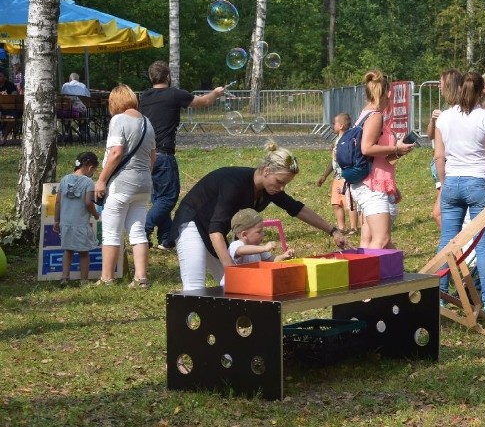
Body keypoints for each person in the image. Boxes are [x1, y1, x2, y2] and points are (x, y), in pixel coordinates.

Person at [172, 143, 348, 291]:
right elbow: (215, 229)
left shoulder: (269, 189)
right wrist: (231, 269)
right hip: (192, 222)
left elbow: (297, 208)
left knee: (234, 287)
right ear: (266, 170)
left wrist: (333, 231)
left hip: (212, 228)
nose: (281, 188)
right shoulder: (234, 184)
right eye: (280, 182)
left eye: (285, 184)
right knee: (195, 286)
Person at [434, 71, 485, 316]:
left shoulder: (444, 118)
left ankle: (439, 297)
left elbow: (439, 156)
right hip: (480, 183)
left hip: (452, 182)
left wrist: (445, 184)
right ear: (480, 92)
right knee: (484, 244)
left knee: (447, 242)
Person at [139, 61, 226, 251]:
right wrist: (216, 93)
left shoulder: (144, 96)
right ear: (168, 76)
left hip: (146, 155)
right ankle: (143, 229)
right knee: (168, 198)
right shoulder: (174, 94)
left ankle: (165, 239)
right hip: (163, 153)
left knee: (159, 198)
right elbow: (204, 102)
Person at [94, 84, 156, 288]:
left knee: (111, 232)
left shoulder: (118, 120)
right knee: (137, 230)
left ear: (115, 102)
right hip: (143, 184)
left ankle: (107, 278)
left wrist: (102, 179)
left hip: (121, 183)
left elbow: (116, 152)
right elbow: (152, 157)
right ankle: (141, 278)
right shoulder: (147, 122)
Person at [349, 70, 415, 249]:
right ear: (387, 93)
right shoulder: (376, 116)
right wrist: (396, 148)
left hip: (372, 182)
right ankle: (364, 276)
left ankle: (387, 273)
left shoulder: (367, 113)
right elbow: (367, 148)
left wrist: (393, 185)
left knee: (371, 240)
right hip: (371, 186)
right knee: (382, 240)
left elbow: (379, 158)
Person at [53, 152, 100, 285]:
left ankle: (64, 277)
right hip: (80, 224)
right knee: (84, 252)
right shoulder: (88, 182)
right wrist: (96, 214)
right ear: (90, 167)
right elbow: (88, 203)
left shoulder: (64, 179)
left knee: (68, 250)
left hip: (65, 223)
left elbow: (57, 202)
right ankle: (84, 280)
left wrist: (57, 220)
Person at [219, 208, 295, 286]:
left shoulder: (258, 247)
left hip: (247, 285)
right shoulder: (236, 244)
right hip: (230, 287)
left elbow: (270, 260)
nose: (263, 234)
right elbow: (241, 250)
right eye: (259, 231)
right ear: (244, 235)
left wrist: (283, 256)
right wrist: (264, 248)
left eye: (262, 230)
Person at [426, 69, 462, 229]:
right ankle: (457, 248)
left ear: (449, 86)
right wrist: (434, 121)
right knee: (447, 214)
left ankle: (457, 250)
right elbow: (430, 135)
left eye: (440, 84)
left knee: (439, 213)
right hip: (445, 170)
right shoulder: (445, 110)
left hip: (452, 170)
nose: (439, 88)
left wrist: (444, 180)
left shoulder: (459, 112)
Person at [317, 113, 359, 236]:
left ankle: (353, 227)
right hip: (336, 177)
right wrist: (324, 175)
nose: (332, 126)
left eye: (334, 123)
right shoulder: (336, 141)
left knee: (349, 204)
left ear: (341, 126)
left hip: (346, 177)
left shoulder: (348, 140)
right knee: (336, 203)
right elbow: (333, 160)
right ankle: (341, 227)